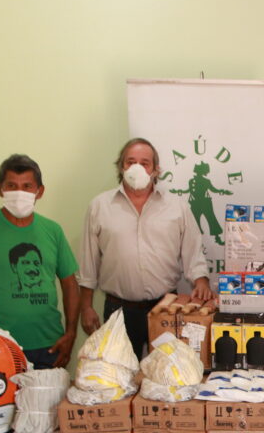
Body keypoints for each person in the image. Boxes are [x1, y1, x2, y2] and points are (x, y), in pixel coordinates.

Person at [78, 137, 213, 359]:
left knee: (166, 370)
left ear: (155, 170)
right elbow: (88, 263)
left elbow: (193, 251)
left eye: (144, 163)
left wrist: (201, 280)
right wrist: (86, 307)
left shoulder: (177, 207)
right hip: (118, 311)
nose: (137, 168)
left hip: (165, 309)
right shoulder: (99, 207)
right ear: (121, 167)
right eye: (131, 162)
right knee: (119, 372)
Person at [0, 154, 79, 369]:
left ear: (40, 191)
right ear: (0, 189)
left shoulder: (53, 231)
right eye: (11, 186)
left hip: (51, 346)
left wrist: (71, 333)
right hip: (0, 347)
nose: (19, 193)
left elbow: (70, 283)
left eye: (27, 186)